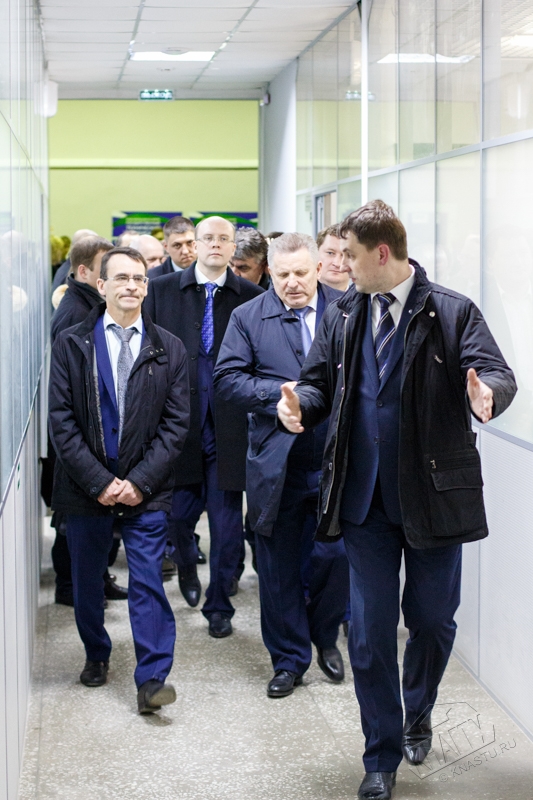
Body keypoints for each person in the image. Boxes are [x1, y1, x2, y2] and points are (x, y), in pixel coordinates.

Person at [277, 201, 517, 800]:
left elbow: (495, 371)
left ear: (382, 253)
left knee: (431, 622)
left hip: (433, 499)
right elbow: (319, 383)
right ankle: (380, 755)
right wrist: (300, 404)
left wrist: (487, 393)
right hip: (364, 503)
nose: (339, 267)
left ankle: (418, 711)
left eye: (350, 256)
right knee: (369, 634)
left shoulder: (452, 311)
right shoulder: (344, 313)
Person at [48, 247, 190, 713]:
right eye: (122, 278)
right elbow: (61, 422)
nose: (132, 285)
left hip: (146, 490)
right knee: (88, 580)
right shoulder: (72, 343)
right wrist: (100, 483)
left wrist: (139, 482)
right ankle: (96, 653)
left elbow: (176, 426)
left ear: (147, 287)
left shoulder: (169, 348)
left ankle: (152, 679)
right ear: (101, 285)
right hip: (85, 488)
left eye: (139, 279)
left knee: (148, 581)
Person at [215, 233, 349, 697]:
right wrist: (278, 396)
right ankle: (289, 660)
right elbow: (227, 379)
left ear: (318, 269)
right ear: (270, 272)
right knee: (277, 566)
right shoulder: (248, 316)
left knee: (337, 556)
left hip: (335, 458)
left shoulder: (347, 310)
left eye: (301, 272)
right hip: (277, 461)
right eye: (283, 274)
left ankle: (324, 635)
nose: (293, 283)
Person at [144, 216, 263, 637]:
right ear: (194, 244)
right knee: (178, 516)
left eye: (223, 239)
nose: (215, 244)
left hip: (231, 425)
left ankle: (219, 605)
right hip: (179, 422)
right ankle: (185, 566)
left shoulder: (252, 297)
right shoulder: (160, 291)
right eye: (207, 238)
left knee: (227, 525)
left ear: (233, 247)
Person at [49, 235, 129, 607]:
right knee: (73, 523)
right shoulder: (75, 314)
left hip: (94, 443)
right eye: (104, 270)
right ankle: (71, 587)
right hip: (82, 445)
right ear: (84, 272)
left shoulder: (86, 305)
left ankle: (97, 580)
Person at [317, 225, 350, 292]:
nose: (337, 264)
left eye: (345, 255)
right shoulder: (299, 297)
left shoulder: (367, 297)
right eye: (330, 253)